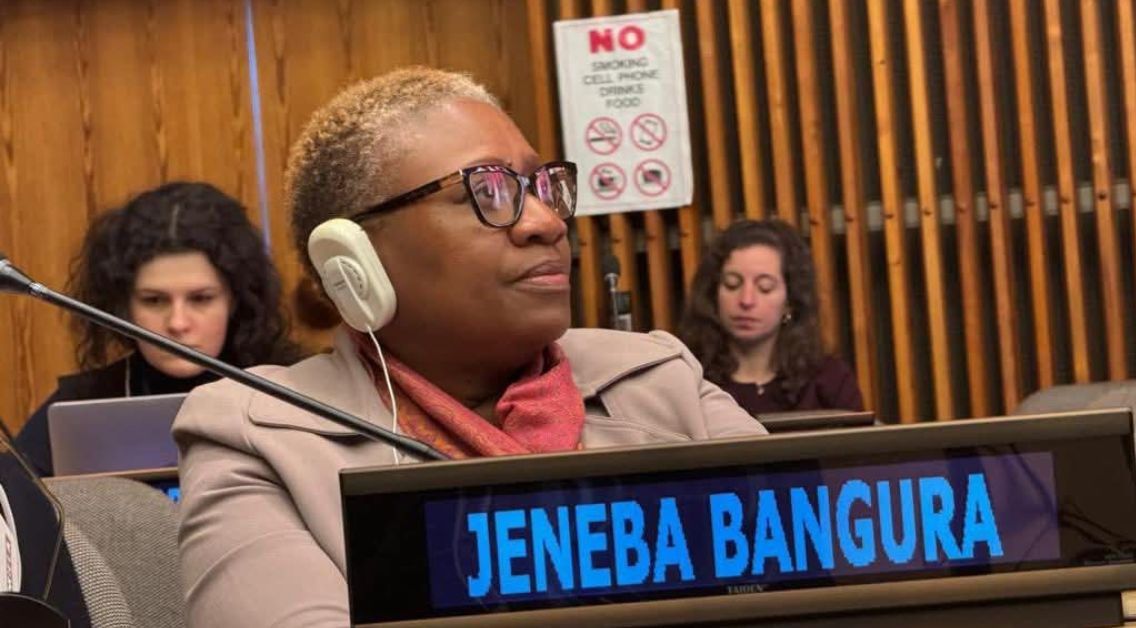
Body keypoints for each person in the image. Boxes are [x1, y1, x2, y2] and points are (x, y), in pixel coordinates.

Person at [172, 66, 766, 627]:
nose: (547, 222)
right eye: (487, 191)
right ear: (353, 258)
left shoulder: (663, 378)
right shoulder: (257, 437)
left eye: (541, 187)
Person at [15, 181, 303, 476]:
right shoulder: (81, 405)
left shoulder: (295, 393)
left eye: (201, 299)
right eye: (153, 300)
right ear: (123, 306)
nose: (178, 323)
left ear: (236, 300)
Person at [678, 220, 863, 415]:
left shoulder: (831, 381)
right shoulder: (685, 378)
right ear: (713, 293)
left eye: (764, 287)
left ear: (790, 300)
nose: (746, 300)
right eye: (732, 284)